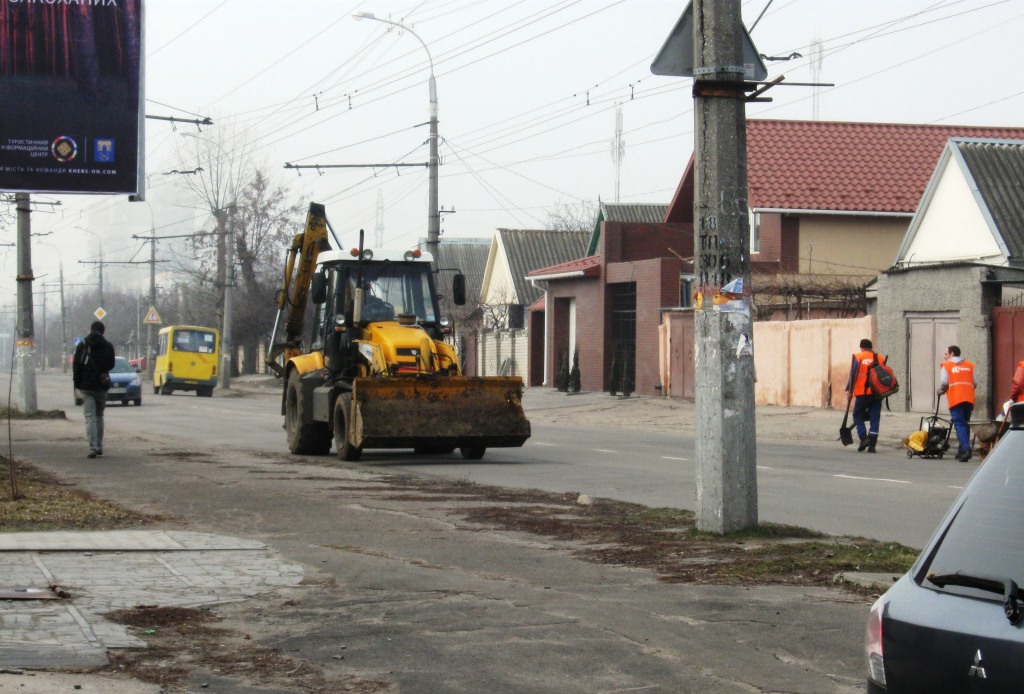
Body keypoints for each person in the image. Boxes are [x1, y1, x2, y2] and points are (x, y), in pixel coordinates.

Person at [72, 320, 116, 458]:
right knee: (99, 416)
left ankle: (93, 447)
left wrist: (77, 384)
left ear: (90, 330)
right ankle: (100, 446)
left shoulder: (83, 345)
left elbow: (76, 366)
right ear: (103, 331)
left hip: (86, 386)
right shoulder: (108, 346)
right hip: (101, 386)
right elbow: (111, 365)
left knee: (90, 417)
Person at [938, 345, 976, 462]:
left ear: (952, 354)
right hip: (968, 398)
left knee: (959, 424)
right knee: (965, 423)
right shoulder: (969, 365)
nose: (944, 357)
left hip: (956, 398)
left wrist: (940, 390)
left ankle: (966, 449)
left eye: (946, 354)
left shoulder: (947, 365)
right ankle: (961, 451)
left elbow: (944, 382)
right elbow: (975, 382)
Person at [846, 338, 884, 453]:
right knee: (874, 417)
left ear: (861, 348)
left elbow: (853, 375)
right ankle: (872, 445)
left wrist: (849, 391)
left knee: (857, 415)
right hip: (877, 394)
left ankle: (863, 438)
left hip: (862, 393)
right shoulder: (880, 358)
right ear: (871, 347)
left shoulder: (858, 357)